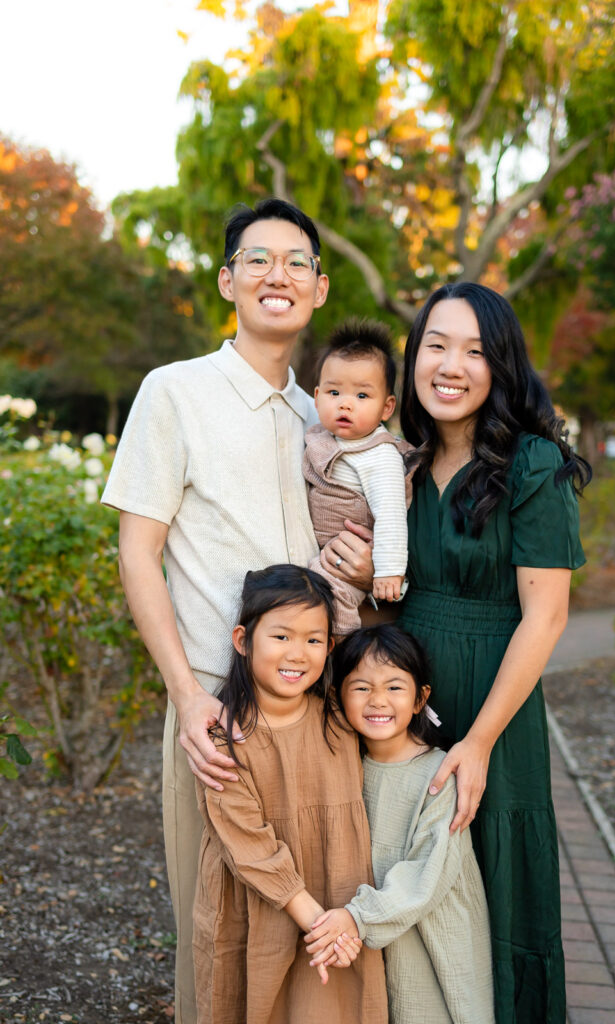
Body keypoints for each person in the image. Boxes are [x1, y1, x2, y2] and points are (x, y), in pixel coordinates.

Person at [101, 198, 371, 1023]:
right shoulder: (173, 393)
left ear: (320, 288)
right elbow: (136, 552)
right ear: (228, 281)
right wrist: (188, 698)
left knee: (317, 949)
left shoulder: (322, 414)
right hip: (221, 716)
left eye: (295, 262)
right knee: (216, 939)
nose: (276, 275)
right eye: (257, 260)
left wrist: (359, 572)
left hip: (324, 717)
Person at [392, 281, 591, 1023]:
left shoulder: (532, 465)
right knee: (405, 884)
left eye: (475, 350)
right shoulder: (396, 465)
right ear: (413, 360)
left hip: (491, 710)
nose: (451, 365)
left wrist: (476, 743)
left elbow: (544, 617)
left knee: (498, 886)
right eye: (436, 345)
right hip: (400, 702)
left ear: (500, 366)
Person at [193, 564, 388, 1024]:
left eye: (313, 640)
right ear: (243, 641)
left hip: (340, 899)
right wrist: (320, 927)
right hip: (264, 903)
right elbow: (248, 843)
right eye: (281, 637)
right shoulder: (223, 736)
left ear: (330, 646)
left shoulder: (341, 716)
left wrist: (340, 926)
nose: (297, 653)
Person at [305, 624, 495, 1024]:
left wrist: (356, 918)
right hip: (365, 940)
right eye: (360, 687)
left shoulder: (439, 777)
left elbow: (426, 872)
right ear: (339, 694)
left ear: (419, 698)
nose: (377, 700)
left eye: (394, 687)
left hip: (426, 936)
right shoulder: (345, 768)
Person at [304, 318, 414, 633]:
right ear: (317, 396)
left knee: (329, 605)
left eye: (362, 396)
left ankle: (341, 647)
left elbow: (391, 515)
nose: (346, 404)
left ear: (387, 407)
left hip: (350, 561)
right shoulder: (320, 439)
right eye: (334, 392)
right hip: (325, 553)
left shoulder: (380, 455)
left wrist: (389, 572)